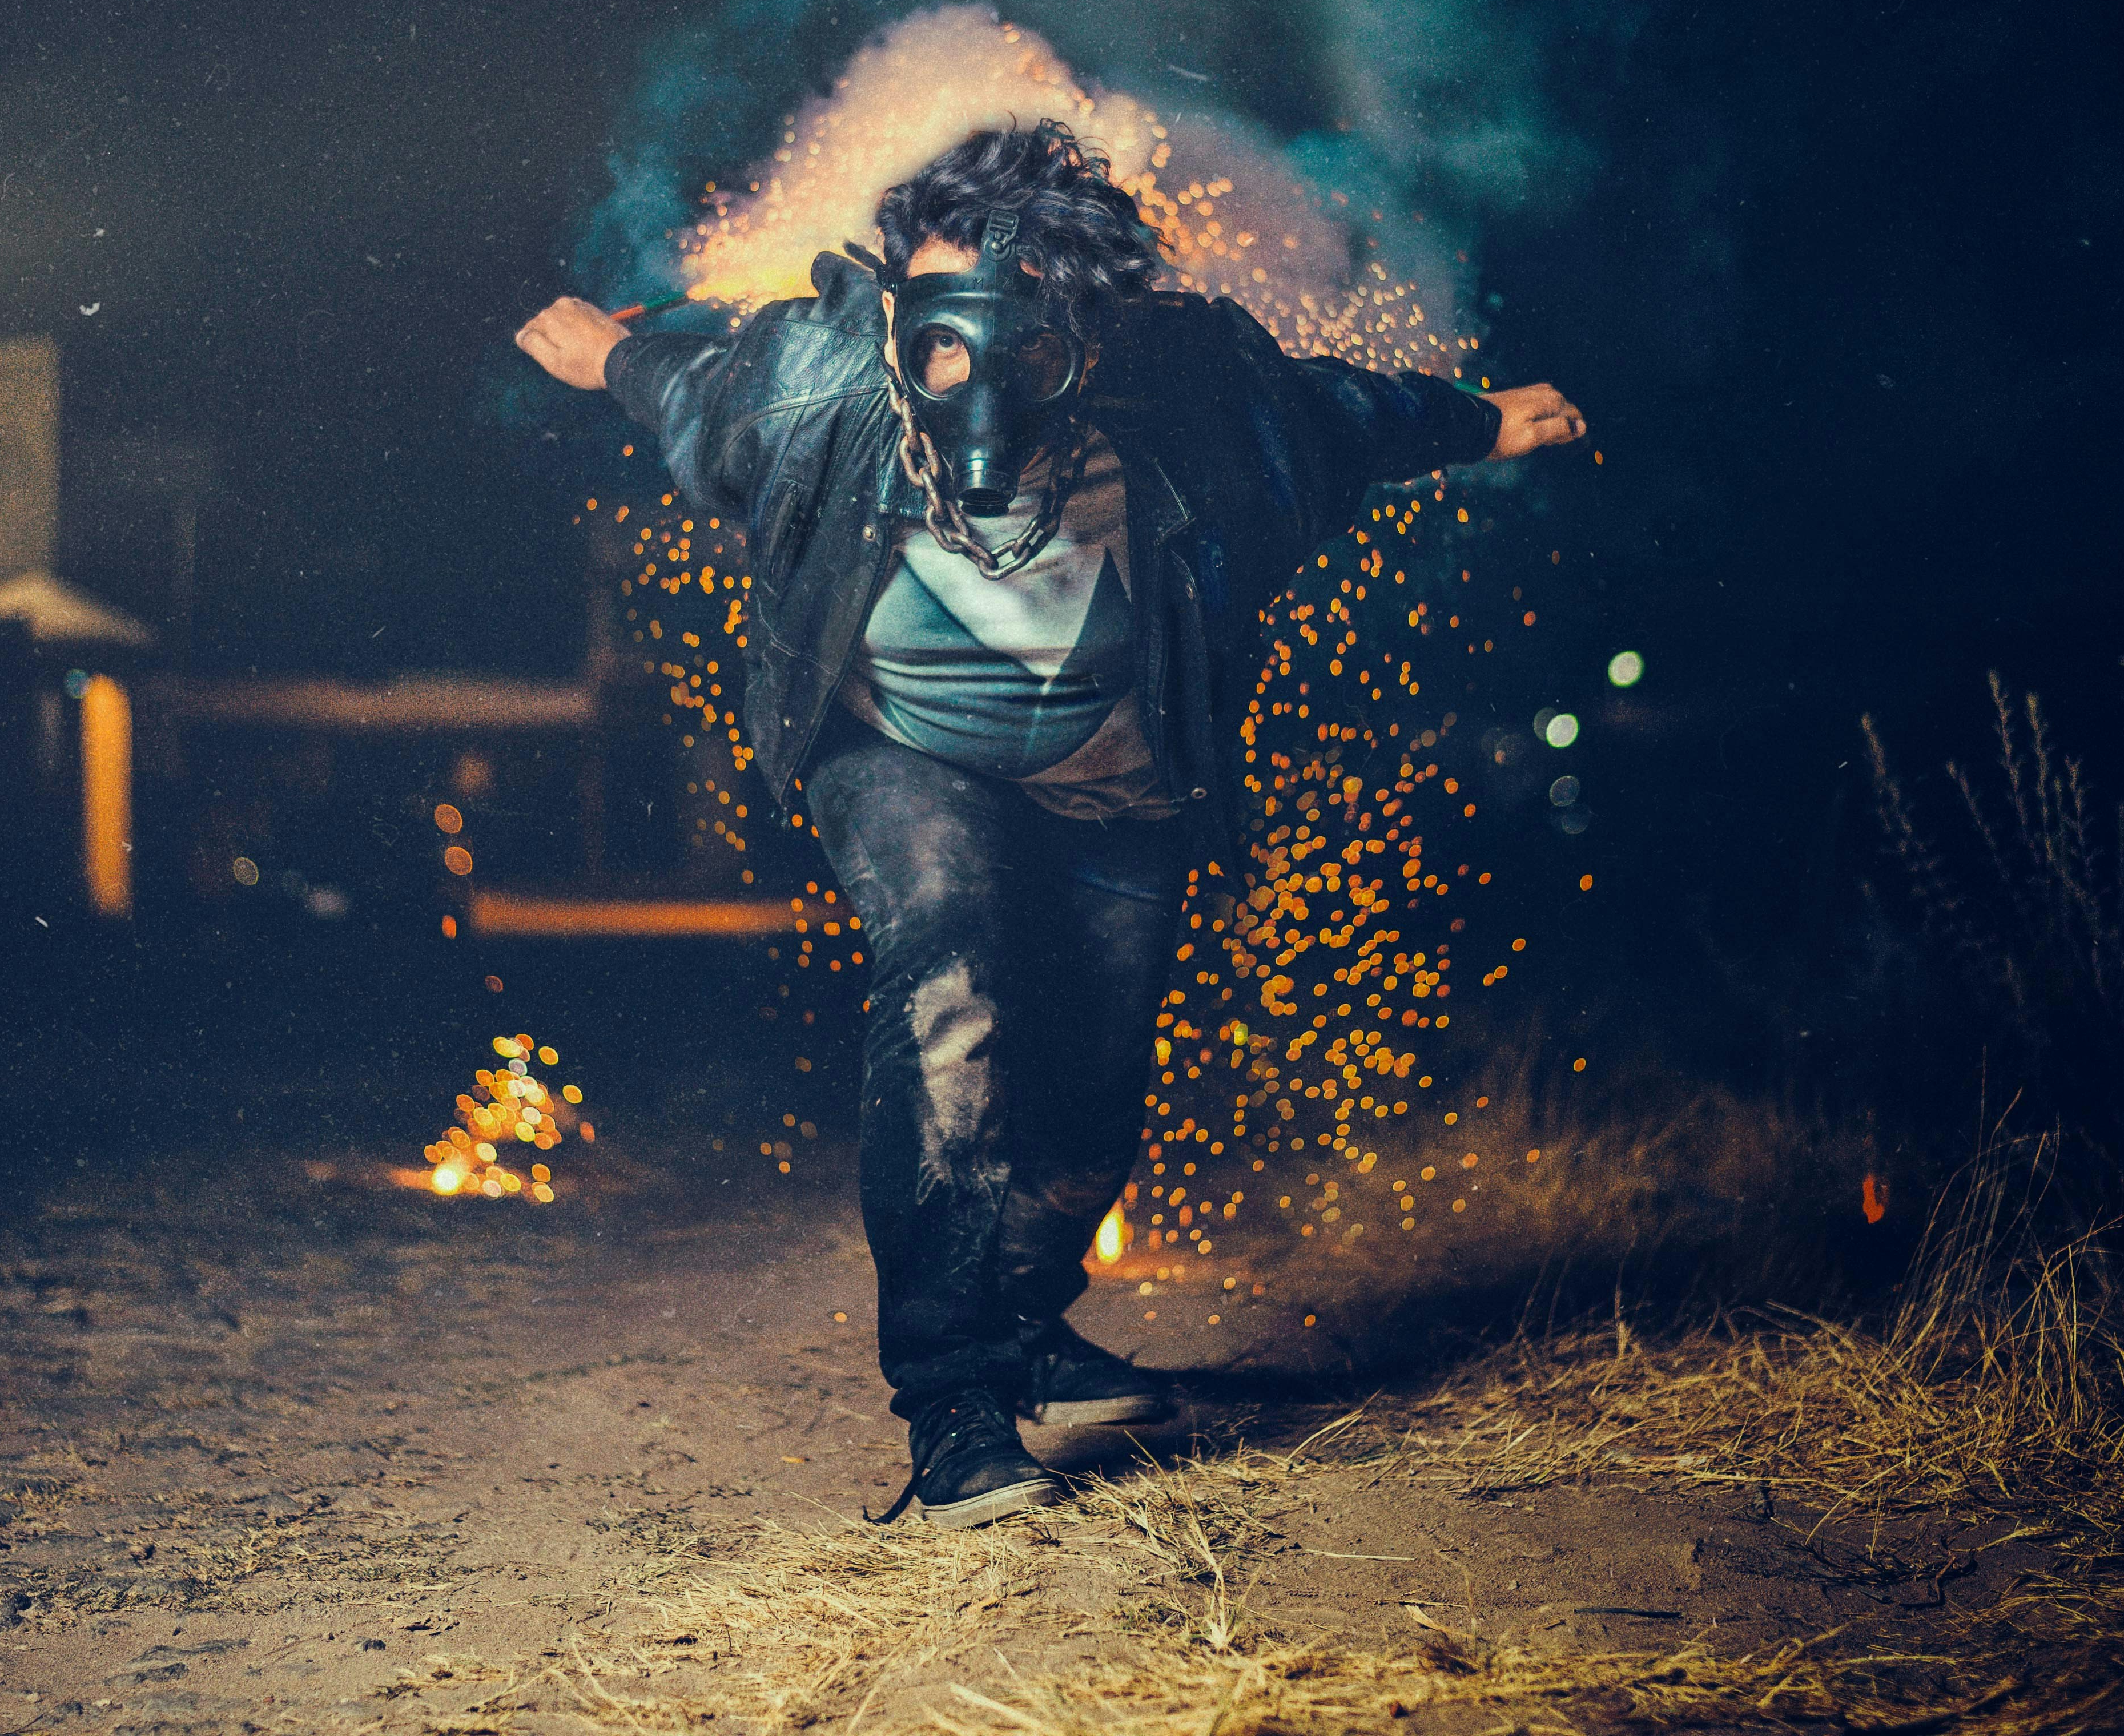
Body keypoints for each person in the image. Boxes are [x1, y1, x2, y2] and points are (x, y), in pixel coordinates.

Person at [516, 121, 1586, 1525]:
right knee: (951, 976)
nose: (964, 385)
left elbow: (1332, 414)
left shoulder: (1188, 381)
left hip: (1115, 770)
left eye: (1007, 346)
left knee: (1090, 1095)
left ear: (1087, 330)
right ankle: (956, 1405)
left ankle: (1024, 1318)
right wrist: (606, 351)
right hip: (893, 744)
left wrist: (1481, 419)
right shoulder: (814, 378)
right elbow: (693, 383)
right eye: (935, 342)